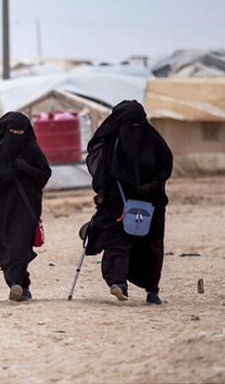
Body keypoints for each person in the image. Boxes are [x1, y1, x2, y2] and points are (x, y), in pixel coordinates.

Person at [85, 100, 172, 304]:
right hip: (119, 198)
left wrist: (151, 185)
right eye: (129, 125)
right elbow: (103, 173)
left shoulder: (153, 141)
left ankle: (152, 290)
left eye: (138, 125)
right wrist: (103, 194)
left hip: (150, 199)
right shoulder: (112, 143)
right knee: (117, 239)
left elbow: (165, 167)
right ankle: (118, 283)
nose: (134, 130)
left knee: (152, 245)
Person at [0, 112, 51, 301]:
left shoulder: (33, 151)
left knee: (19, 246)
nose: (17, 135)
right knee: (6, 246)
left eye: (21, 131)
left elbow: (44, 174)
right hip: (1, 209)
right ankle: (22, 285)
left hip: (26, 208)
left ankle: (15, 284)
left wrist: (25, 168)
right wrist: (1, 175)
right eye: (13, 131)